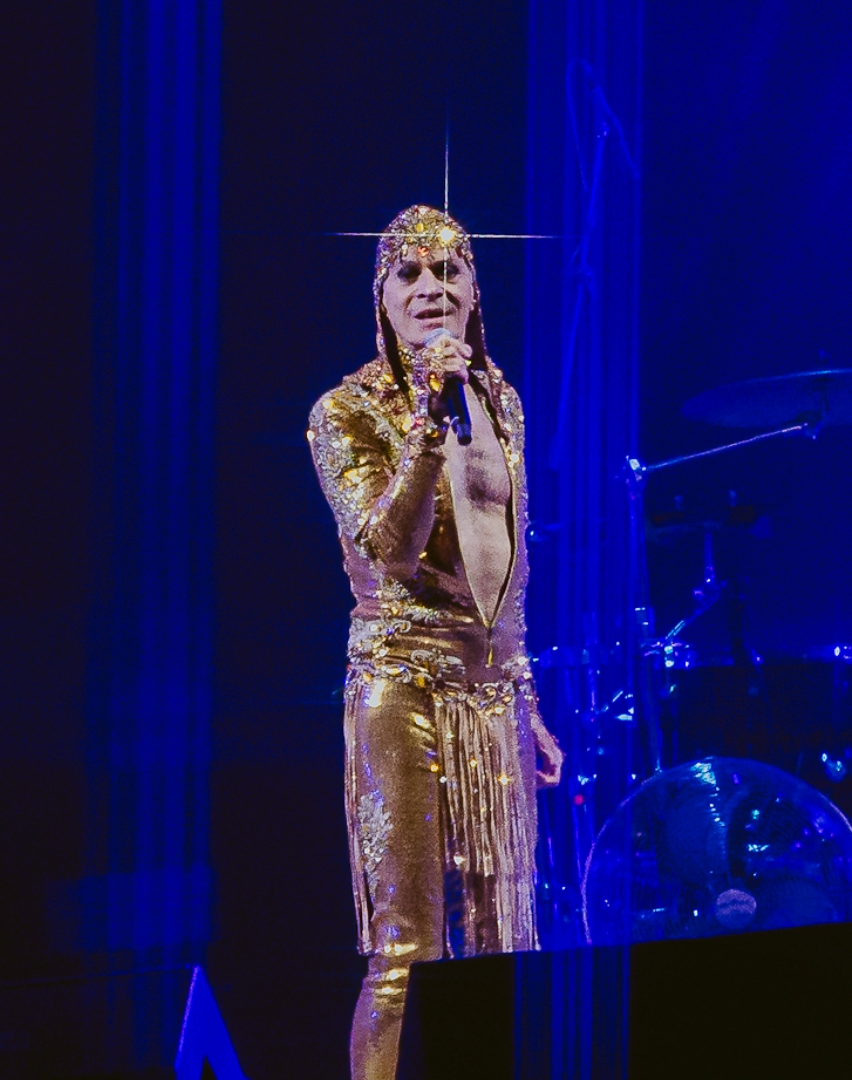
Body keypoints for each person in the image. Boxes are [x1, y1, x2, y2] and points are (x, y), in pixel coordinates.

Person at [307, 205, 564, 1080]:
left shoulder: (502, 400)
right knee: (408, 948)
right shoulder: (343, 411)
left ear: (474, 295)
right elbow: (389, 547)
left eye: (449, 273)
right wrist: (425, 412)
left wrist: (525, 700)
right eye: (409, 275)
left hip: (489, 691)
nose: (431, 289)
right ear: (381, 296)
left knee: (506, 936)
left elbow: (507, 565)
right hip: (401, 682)